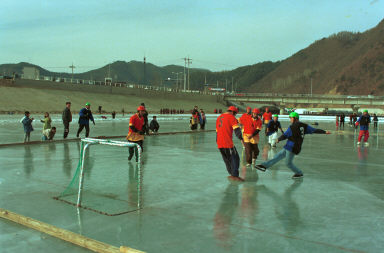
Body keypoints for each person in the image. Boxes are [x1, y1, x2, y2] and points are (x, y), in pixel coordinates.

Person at [255, 112, 330, 179]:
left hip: (291, 147)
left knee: (288, 163)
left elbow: (285, 135)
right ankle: (264, 166)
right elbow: (314, 130)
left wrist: (278, 139)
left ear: (295, 118)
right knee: (277, 156)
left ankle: (299, 173)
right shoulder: (304, 126)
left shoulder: (293, 127)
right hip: (292, 146)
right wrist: (324, 132)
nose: (290, 120)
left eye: (291, 118)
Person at [216, 106, 244, 182]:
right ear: (233, 112)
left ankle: (231, 174)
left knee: (227, 159)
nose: (235, 116)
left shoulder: (219, 117)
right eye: (235, 114)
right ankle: (234, 175)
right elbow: (237, 131)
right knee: (235, 158)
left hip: (219, 143)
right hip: (227, 143)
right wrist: (242, 139)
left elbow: (217, 132)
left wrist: (217, 142)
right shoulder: (231, 117)